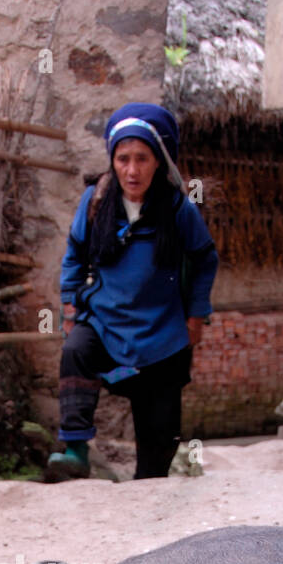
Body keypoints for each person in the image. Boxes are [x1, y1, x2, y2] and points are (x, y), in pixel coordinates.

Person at [47, 102, 218, 481]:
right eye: (123, 158)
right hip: (105, 322)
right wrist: (69, 305)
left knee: (156, 452)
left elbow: (205, 258)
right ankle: (75, 450)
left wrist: (195, 314)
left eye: (142, 158)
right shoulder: (95, 201)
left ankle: (149, 493)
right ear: (113, 160)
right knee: (76, 351)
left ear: (158, 161)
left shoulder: (177, 209)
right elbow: (74, 254)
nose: (132, 169)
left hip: (162, 335)